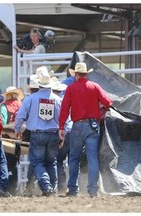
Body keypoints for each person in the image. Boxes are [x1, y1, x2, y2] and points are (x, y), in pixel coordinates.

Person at [59, 62, 113, 197]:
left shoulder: (71, 88)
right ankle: (93, 189)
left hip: (77, 125)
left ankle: (72, 189)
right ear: (86, 74)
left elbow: (65, 109)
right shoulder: (94, 86)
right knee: (92, 157)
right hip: (92, 125)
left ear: (76, 74)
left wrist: (61, 127)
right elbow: (108, 102)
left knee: (74, 158)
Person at [15, 66, 61, 196]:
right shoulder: (58, 100)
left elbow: (20, 116)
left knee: (37, 162)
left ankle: (46, 186)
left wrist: (18, 129)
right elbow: (64, 118)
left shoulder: (31, 98)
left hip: (38, 133)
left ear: (39, 85)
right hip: (54, 133)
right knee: (51, 162)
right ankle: (53, 188)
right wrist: (62, 134)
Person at [50, 77, 72, 193]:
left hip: (62, 131)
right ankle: (73, 187)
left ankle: (61, 187)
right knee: (73, 160)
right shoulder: (67, 98)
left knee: (58, 161)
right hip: (73, 131)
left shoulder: (54, 101)